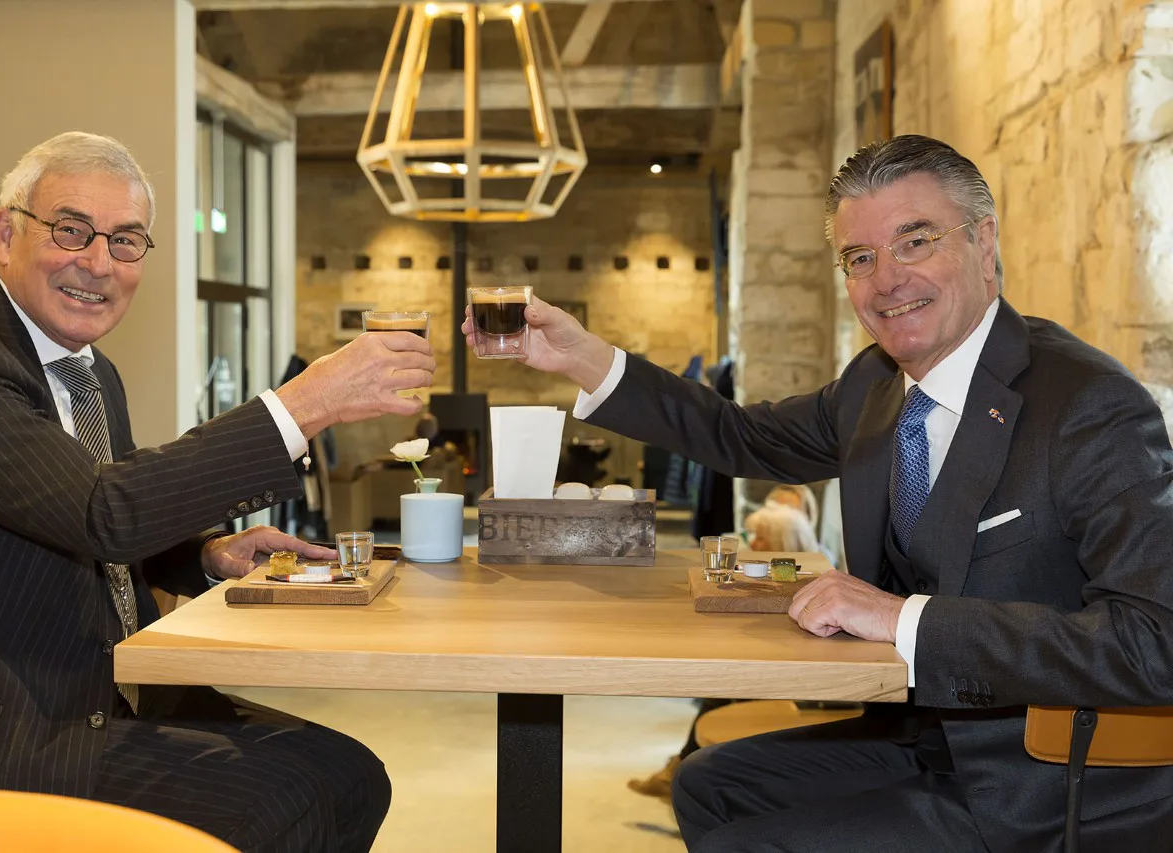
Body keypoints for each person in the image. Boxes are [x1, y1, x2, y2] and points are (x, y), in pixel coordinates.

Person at [463, 134, 1173, 851]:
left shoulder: (1088, 404)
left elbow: (1156, 641)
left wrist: (903, 619)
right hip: (924, 739)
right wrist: (582, 355)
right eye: (860, 258)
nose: (886, 279)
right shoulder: (874, 385)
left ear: (984, 243)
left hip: (1048, 782)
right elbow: (741, 435)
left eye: (915, 241)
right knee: (709, 782)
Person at [0, 132, 435, 853]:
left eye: (125, 241)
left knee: (352, 774)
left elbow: (81, 511)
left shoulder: (89, 373)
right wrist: (304, 404)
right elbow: (103, 514)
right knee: (284, 800)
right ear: (5, 233)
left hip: (105, 690)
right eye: (70, 230)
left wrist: (208, 555)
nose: (97, 263)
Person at [627, 501, 823, 802]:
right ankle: (682, 769)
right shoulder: (774, 572)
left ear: (783, 542)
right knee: (721, 686)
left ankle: (683, 771)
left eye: (759, 536)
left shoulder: (813, 578)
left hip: (803, 674)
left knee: (729, 684)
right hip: (779, 657)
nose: (752, 542)